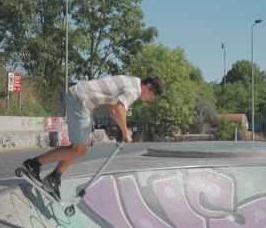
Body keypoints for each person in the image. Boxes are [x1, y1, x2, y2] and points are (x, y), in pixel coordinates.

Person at [21, 73, 165, 200]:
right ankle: (34, 165)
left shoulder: (131, 81)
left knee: (79, 147)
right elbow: (121, 108)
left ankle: (54, 177)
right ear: (148, 86)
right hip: (81, 100)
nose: (151, 100)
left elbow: (113, 107)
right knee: (79, 149)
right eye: (153, 96)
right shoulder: (134, 90)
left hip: (83, 100)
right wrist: (125, 131)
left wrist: (122, 127)